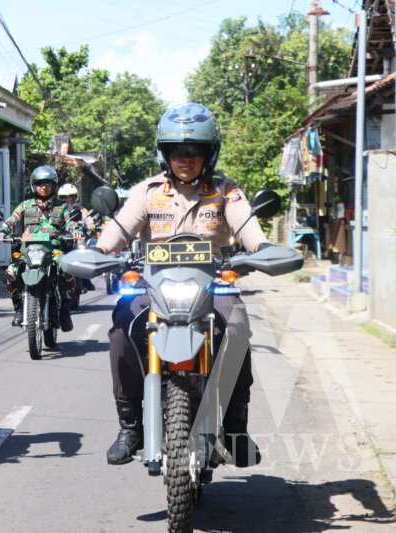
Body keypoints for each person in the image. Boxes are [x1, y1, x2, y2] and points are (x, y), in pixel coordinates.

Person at [95, 103, 269, 468]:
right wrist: (99, 250)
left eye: (194, 151)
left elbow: (247, 226)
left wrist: (263, 249)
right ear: (165, 153)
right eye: (177, 151)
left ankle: (236, 428)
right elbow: (120, 228)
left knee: (236, 328)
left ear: (209, 153)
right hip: (155, 286)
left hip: (212, 284)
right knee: (120, 329)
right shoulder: (147, 192)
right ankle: (130, 427)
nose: (185, 158)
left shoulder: (226, 191)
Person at [0, 165, 77, 330]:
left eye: (47, 183)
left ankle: (65, 310)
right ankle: (18, 308)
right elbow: (12, 220)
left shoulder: (62, 207)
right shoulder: (25, 205)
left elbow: (71, 222)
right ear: (34, 185)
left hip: (54, 249)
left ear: (53, 185)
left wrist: (76, 231)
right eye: (40, 184)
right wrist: (2, 232)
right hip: (29, 250)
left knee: (68, 269)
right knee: (11, 271)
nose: (44, 187)